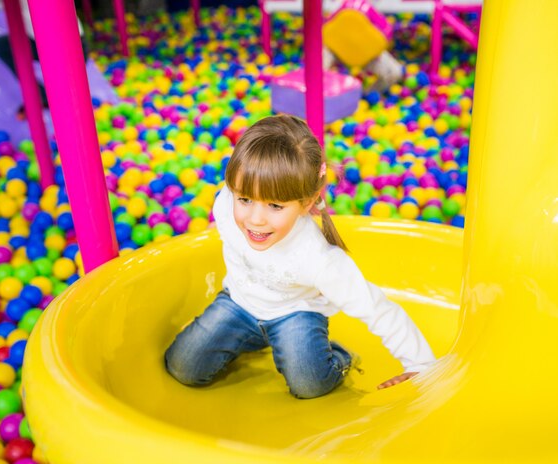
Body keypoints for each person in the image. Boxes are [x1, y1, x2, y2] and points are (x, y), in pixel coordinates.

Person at [165, 115, 436, 399]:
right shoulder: (225, 206)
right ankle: (247, 339)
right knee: (183, 366)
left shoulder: (317, 257)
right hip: (239, 303)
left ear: (306, 203)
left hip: (295, 315)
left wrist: (421, 366)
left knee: (309, 386)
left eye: (275, 206)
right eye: (245, 199)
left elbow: (377, 308)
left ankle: (340, 357)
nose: (255, 219)